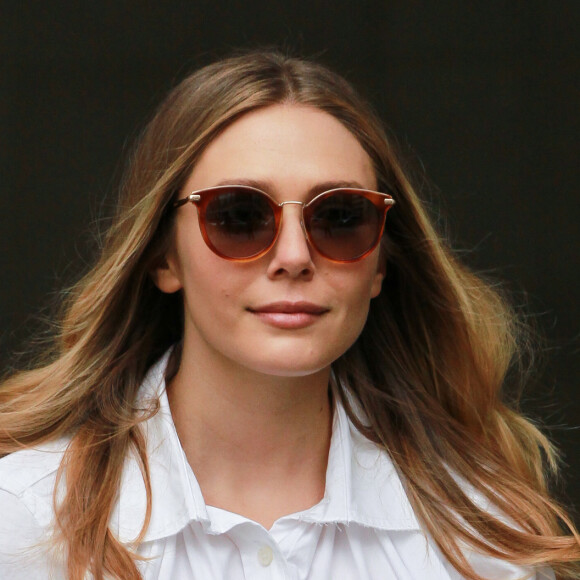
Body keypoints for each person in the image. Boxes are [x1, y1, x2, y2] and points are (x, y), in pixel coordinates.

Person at [0, 50, 578, 580]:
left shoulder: (485, 542)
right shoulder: (24, 522)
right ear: (162, 256)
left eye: (341, 217)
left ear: (380, 264)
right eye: (238, 215)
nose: (295, 256)